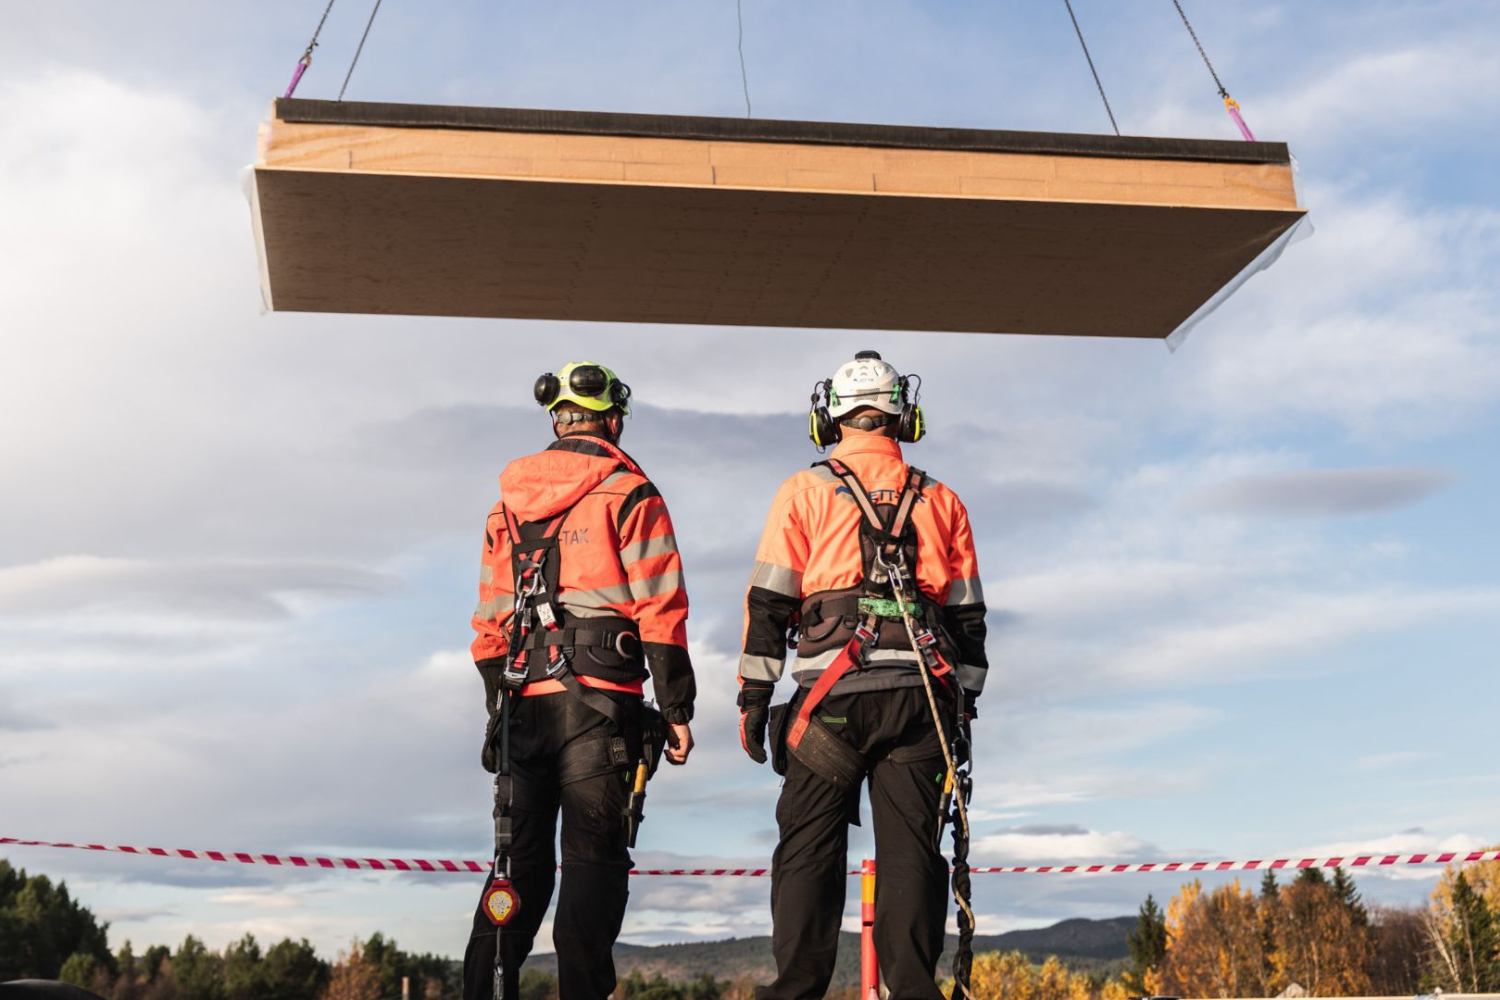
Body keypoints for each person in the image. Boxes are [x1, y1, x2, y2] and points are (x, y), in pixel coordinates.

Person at [737, 351, 988, 1000]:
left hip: (831, 702)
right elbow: (968, 618)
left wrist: (756, 700)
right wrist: (963, 704)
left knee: (807, 849)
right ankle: (911, 989)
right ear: (904, 418)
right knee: (911, 852)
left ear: (830, 419)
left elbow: (769, 603)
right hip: (919, 703)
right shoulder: (942, 500)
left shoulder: (803, 491)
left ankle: (796, 989)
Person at [464, 361, 696, 1000]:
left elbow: (489, 624)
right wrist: (677, 708)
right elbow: (660, 606)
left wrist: (500, 706)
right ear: (614, 418)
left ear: (556, 420)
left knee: (516, 870)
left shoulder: (505, 508)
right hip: (599, 708)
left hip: (521, 707)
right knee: (594, 863)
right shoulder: (631, 492)